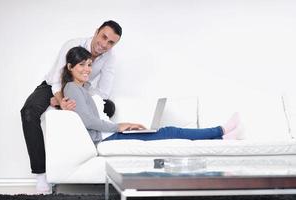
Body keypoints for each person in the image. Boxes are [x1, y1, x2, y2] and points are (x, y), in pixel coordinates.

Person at [62, 47, 242, 147]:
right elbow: (87, 121)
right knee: (171, 132)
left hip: (109, 133)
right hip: (105, 137)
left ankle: (222, 139)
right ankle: (221, 130)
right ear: (70, 67)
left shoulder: (84, 88)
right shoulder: (71, 88)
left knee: (167, 132)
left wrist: (124, 127)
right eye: (81, 65)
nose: (87, 69)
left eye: (89, 64)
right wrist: (119, 126)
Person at [20, 20, 122, 193]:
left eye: (111, 42)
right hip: (54, 85)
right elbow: (55, 79)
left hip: (78, 87)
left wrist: (82, 97)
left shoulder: (110, 58)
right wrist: (60, 100)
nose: (104, 44)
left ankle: (93, 146)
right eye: (103, 37)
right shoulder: (73, 44)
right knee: (28, 112)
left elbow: (103, 93)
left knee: (109, 107)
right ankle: (41, 174)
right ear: (96, 31)